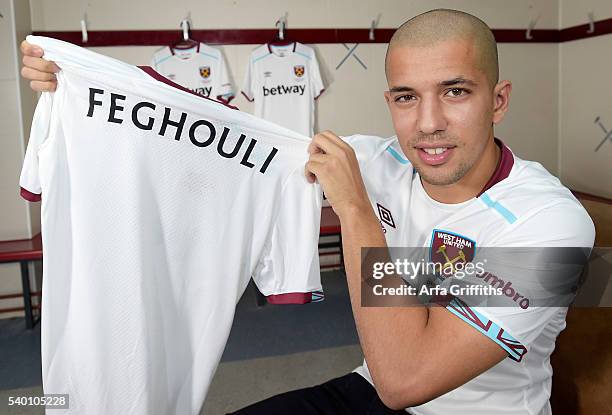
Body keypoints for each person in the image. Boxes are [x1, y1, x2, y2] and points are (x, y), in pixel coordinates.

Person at [20, 8, 594, 415]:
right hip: (364, 391)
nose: (427, 124)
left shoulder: (553, 227)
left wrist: (355, 209)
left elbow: (406, 381)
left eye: (455, 91)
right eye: (405, 97)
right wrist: (100, 91)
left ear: (498, 100)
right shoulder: (377, 158)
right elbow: (230, 146)